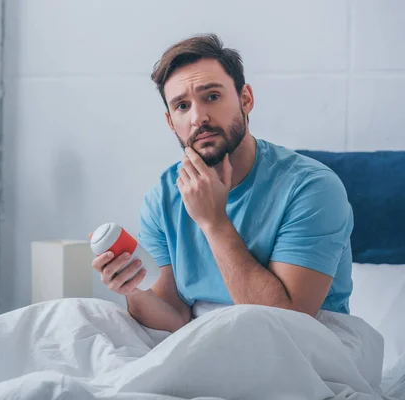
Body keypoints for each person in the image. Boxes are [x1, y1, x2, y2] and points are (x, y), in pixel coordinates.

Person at [92, 34, 354, 333]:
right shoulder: (162, 198)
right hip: (205, 343)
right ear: (170, 122)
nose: (198, 117)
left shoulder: (312, 188)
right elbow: (172, 319)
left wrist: (214, 222)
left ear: (246, 99)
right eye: (182, 106)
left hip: (308, 351)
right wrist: (133, 288)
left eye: (212, 97)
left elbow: (287, 327)